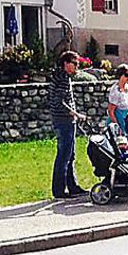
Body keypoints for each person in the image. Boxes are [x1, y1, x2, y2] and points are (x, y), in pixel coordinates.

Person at [48, 50, 87, 199]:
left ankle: (72, 186)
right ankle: (59, 190)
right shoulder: (62, 78)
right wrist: (76, 114)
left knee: (70, 155)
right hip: (64, 120)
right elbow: (60, 102)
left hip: (64, 120)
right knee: (64, 155)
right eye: (74, 63)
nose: (77, 67)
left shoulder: (61, 76)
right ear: (66, 63)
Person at [107, 64, 128, 130]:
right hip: (118, 118)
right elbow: (111, 111)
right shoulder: (115, 90)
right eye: (126, 75)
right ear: (120, 75)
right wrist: (117, 126)